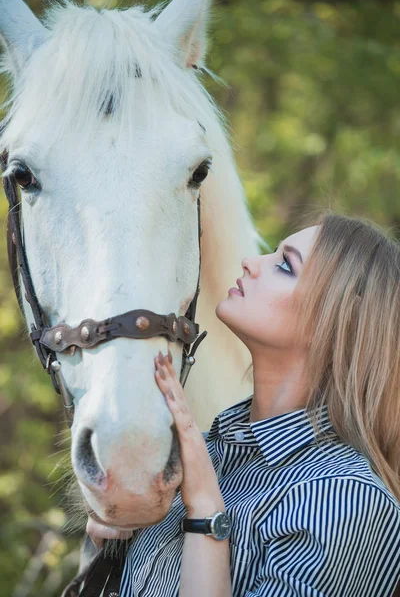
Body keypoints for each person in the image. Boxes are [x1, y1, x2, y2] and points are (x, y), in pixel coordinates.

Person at [88, 211, 400, 596]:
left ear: (336, 323)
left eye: (285, 265)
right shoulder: (209, 457)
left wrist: (205, 512)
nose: (251, 263)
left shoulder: (349, 498)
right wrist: (110, 549)